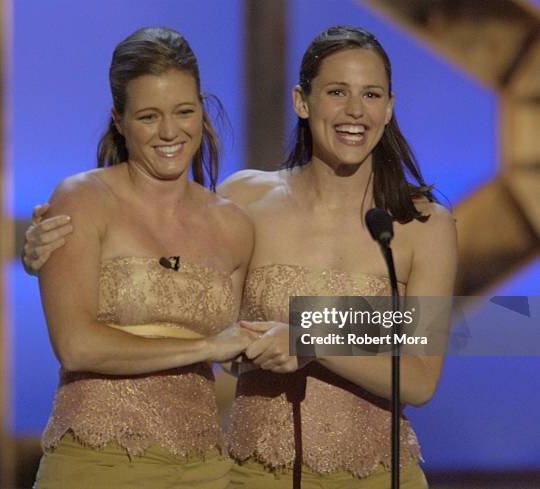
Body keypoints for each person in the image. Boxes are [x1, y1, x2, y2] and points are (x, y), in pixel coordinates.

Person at [24, 26, 457, 489]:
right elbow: (183, 291)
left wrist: (311, 338)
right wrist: (49, 255)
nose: (355, 110)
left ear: (389, 107)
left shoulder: (421, 224)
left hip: (378, 474)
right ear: (301, 101)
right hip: (249, 474)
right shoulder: (243, 200)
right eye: (337, 92)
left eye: (371, 94)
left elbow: (419, 377)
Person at [30, 27, 256, 489]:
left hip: (206, 468)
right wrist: (205, 349)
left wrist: (292, 342)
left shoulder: (233, 224)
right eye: (149, 116)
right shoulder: (83, 199)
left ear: (202, 110)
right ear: (119, 119)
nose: (170, 132)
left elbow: (235, 363)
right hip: (98, 463)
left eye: (184, 112)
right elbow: (76, 345)